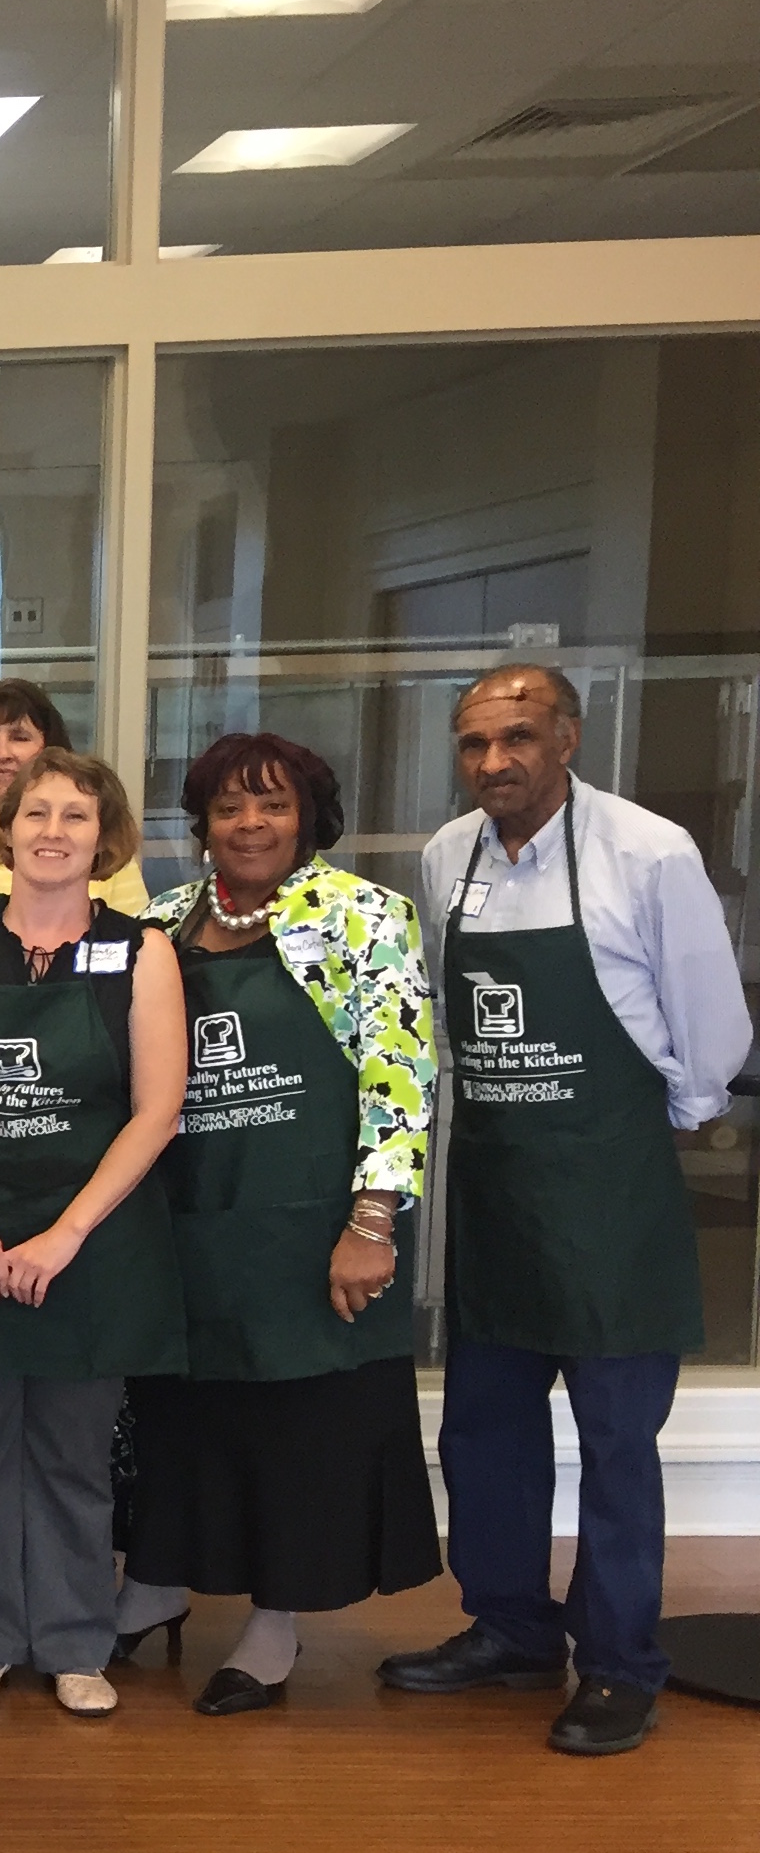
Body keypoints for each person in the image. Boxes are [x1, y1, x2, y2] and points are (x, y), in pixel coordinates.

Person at [382, 665, 751, 1757]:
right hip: (496, 1192)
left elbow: (710, 1031)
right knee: (486, 1430)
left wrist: (654, 1121)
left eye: (519, 737)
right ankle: (508, 1626)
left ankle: (621, 1663)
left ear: (568, 739)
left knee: (618, 1445)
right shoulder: (447, 857)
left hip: (611, 1196)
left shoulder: (647, 853)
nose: (495, 762)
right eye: (473, 744)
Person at [115, 735, 440, 1715]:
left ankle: (274, 1625)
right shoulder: (161, 925)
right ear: (200, 824)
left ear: (309, 817)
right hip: (190, 1223)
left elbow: (401, 1073)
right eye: (227, 806)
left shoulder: (365, 919)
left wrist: (373, 1219)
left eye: (273, 805)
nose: (249, 824)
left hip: (313, 1226)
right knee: (182, 1418)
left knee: (301, 1431)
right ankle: (155, 1581)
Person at [0, 748, 186, 1716]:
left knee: (70, 1448)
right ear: (3, 832)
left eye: (75, 816)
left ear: (105, 840)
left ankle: (71, 1642)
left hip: (90, 1241)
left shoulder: (144, 953)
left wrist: (64, 1235)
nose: (53, 832)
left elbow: (157, 1111)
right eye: (36, 814)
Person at [0, 679, 151, 914]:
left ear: (50, 749)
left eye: (19, 737)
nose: (1, 754)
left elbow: (136, 940)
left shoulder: (99, 849)